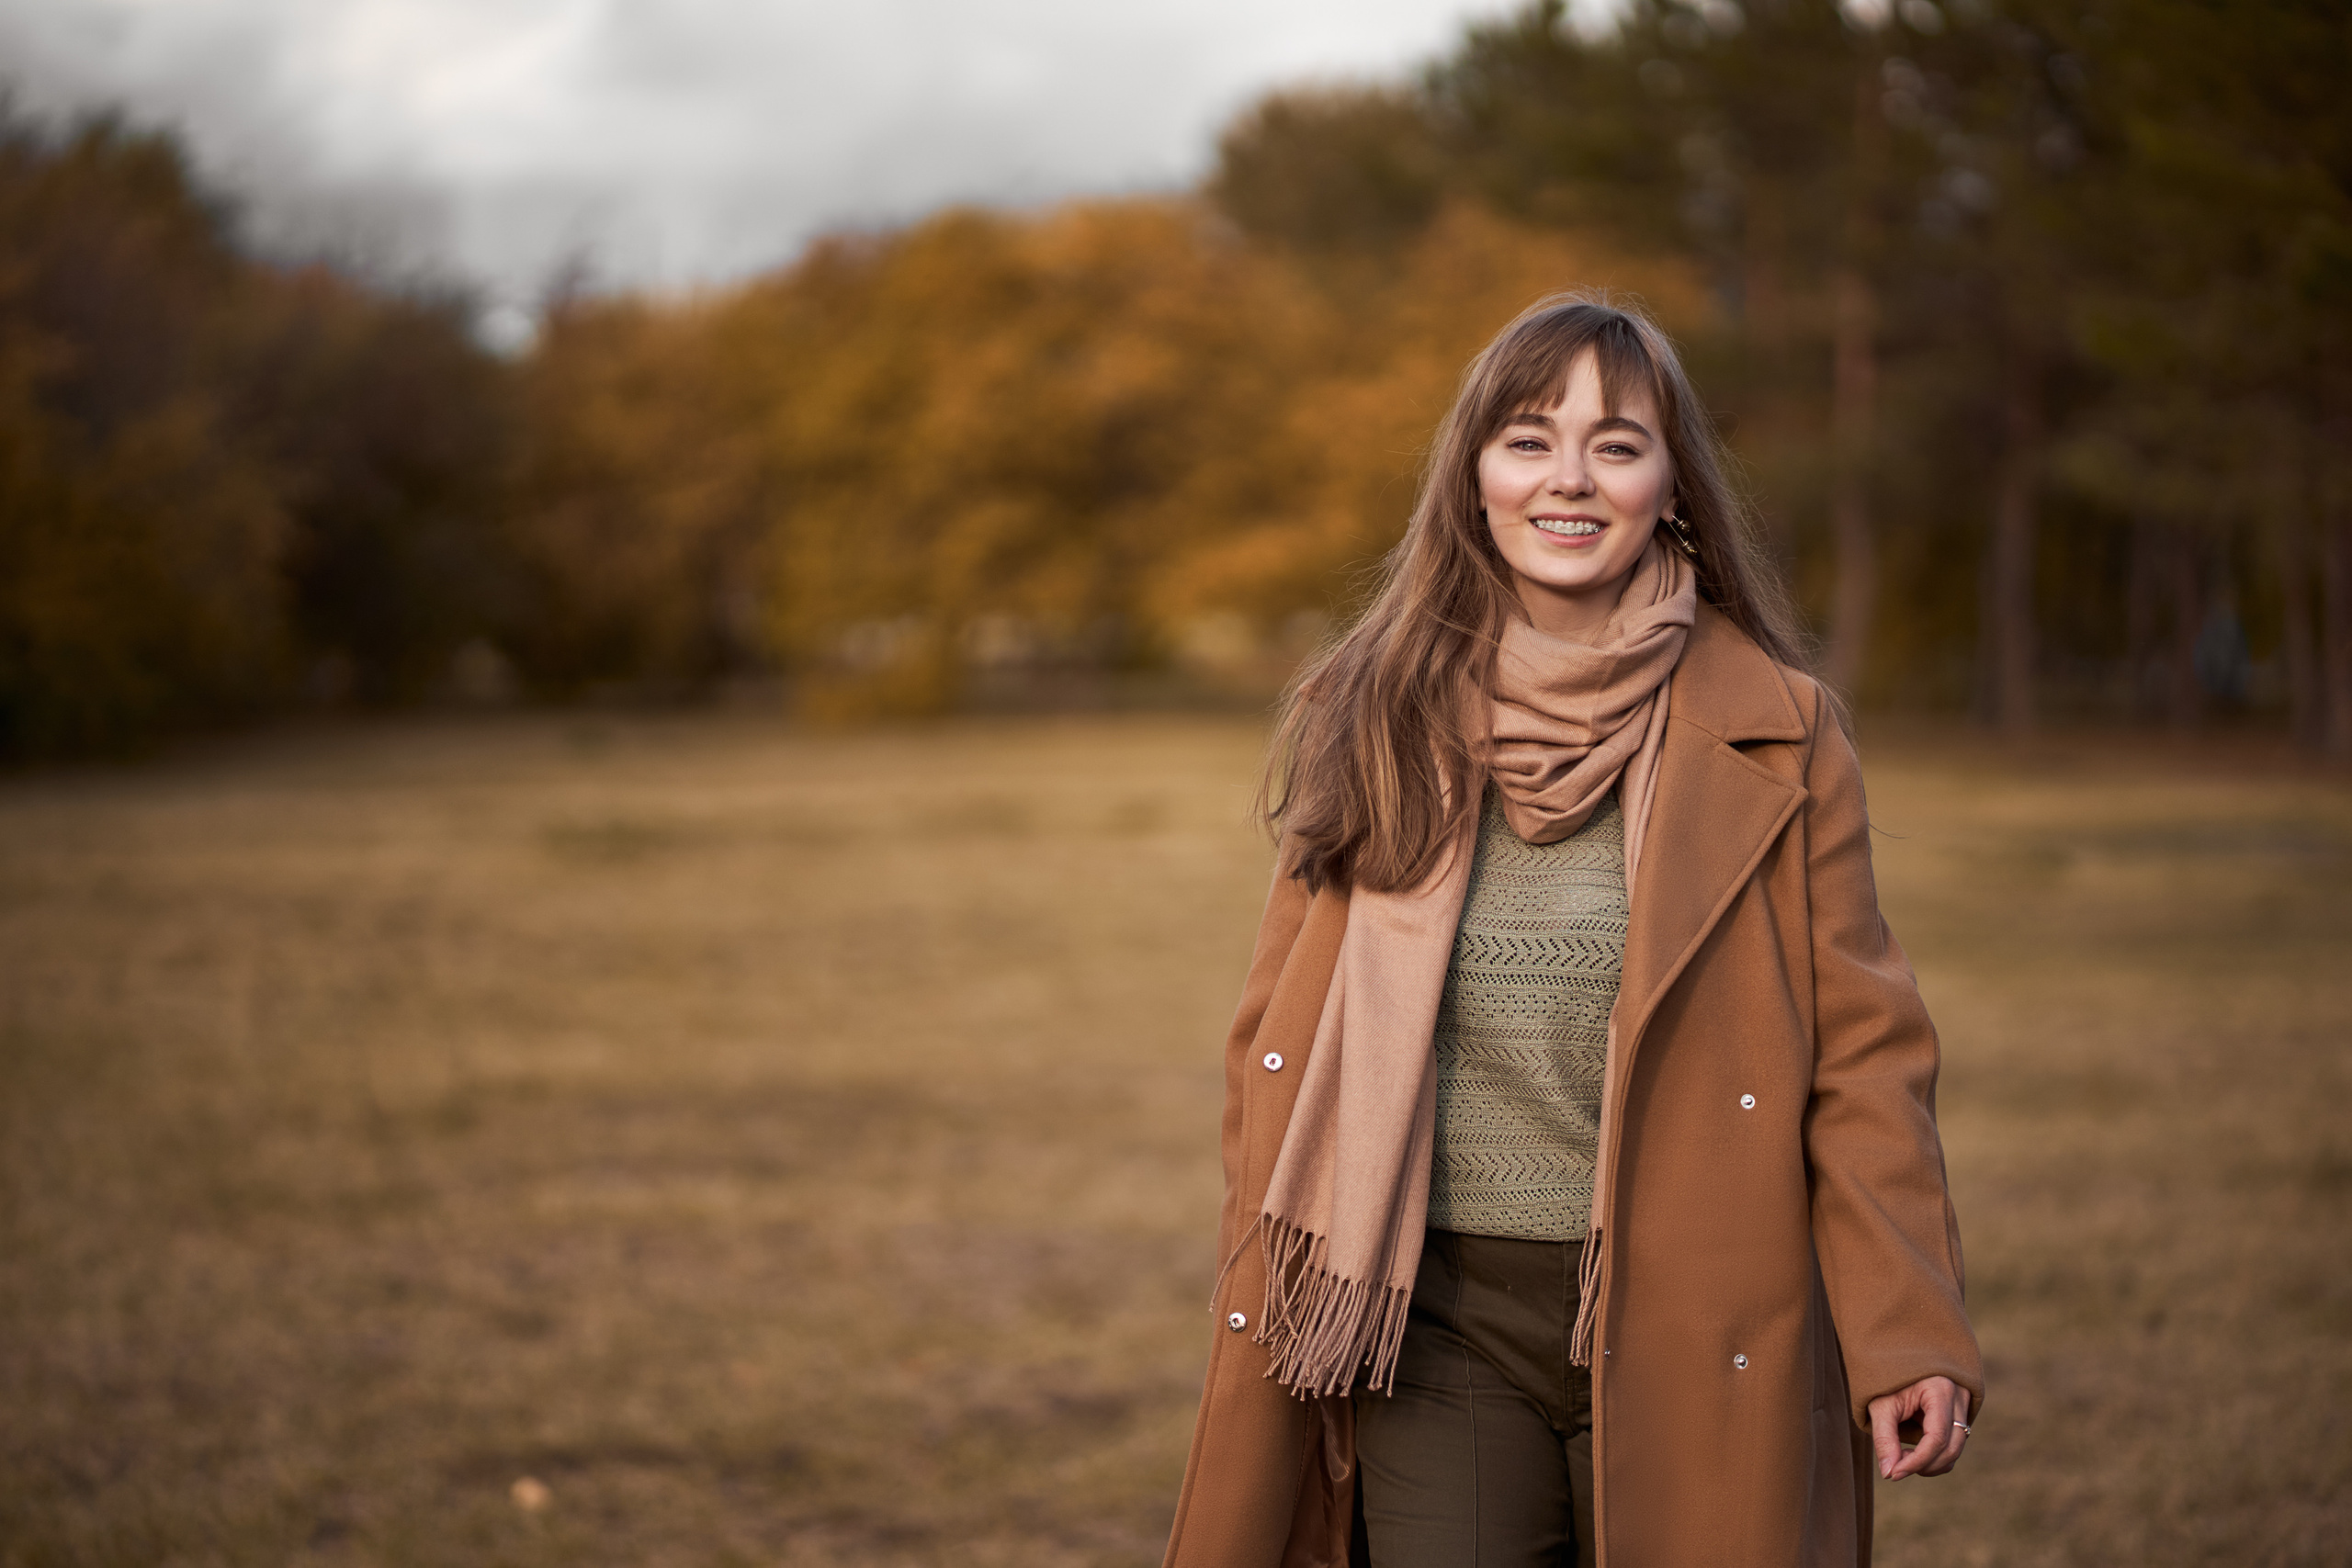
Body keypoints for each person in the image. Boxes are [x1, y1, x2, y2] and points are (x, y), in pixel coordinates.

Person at [1160, 296, 1982, 1568]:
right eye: (1530, 438)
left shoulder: (1783, 728)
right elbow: (1273, 1039)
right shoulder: (1368, 708)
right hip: (1431, 1323)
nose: (1570, 478)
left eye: (1617, 443)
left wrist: (1907, 1322)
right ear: (1475, 477)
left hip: (1703, 1311)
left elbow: (1865, 1060)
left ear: (1672, 485)